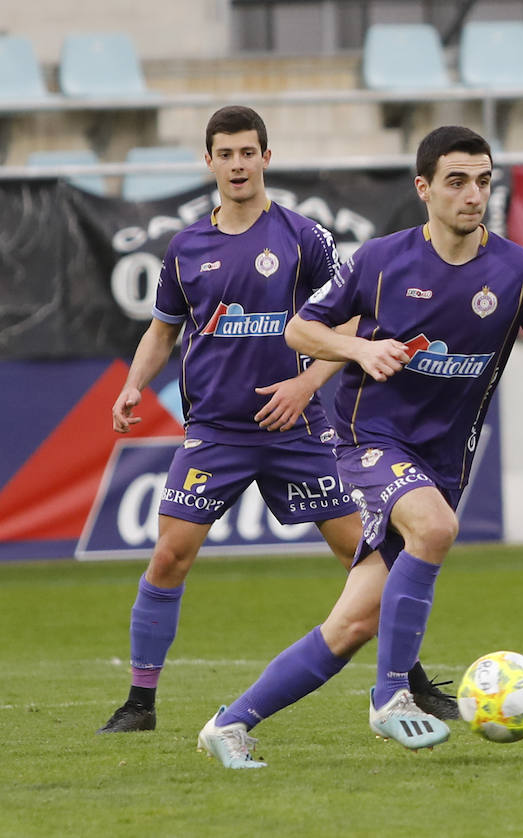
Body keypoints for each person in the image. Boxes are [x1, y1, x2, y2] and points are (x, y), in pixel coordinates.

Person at [195, 124, 523, 769]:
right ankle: (391, 698)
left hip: (442, 460)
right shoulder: (380, 260)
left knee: (352, 625)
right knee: (435, 529)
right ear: (424, 188)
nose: (474, 194)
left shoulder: (521, 273)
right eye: (458, 181)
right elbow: (302, 329)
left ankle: (230, 723)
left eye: (484, 181)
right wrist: (359, 347)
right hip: (369, 438)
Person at [98, 105, 457, 735]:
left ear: (267, 157)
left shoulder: (303, 236)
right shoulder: (186, 248)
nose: (238, 164)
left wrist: (305, 382)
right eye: (226, 153)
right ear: (208, 162)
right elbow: (162, 330)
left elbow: (345, 323)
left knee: (365, 559)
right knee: (168, 558)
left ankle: (411, 681)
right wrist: (133, 385)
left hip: (300, 431)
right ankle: (140, 703)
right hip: (214, 433)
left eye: (248, 152)